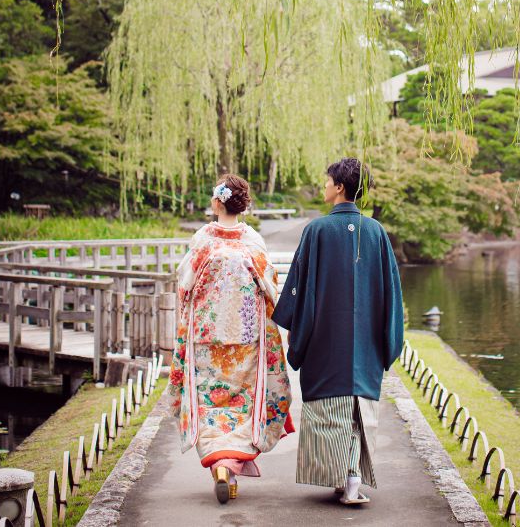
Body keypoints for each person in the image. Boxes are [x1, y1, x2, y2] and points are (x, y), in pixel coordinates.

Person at [272, 158, 404, 505]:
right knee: (359, 409)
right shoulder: (375, 231)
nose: (324, 185)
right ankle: (352, 479)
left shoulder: (317, 231)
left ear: (340, 187)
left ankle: (342, 476)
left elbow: (299, 288)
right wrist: (388, 338)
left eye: (327, 180)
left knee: (330, 409)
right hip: (366, 341)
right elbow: (391, 291)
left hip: (324, 340)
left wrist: (295, 329)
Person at [167, 174, 294, 504]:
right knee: (243, 403)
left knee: (208, 402)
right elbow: (270, 285)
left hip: (206, 338)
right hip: (246, 338)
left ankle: (219, 467)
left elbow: (184, 284)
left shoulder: (203, 240)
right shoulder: (252, 242)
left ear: (219, 201)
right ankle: (229, 466)